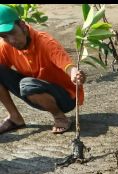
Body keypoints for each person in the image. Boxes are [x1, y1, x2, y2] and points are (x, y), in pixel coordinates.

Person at [0, 5, 85, 134]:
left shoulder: (45, 42)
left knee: (27, 85)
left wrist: (75, 74)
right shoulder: (6, 46)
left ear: (23, 26)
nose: (11, 40)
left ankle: (59, 116)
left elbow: (67, 65)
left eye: (12, 32)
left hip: (65, 98)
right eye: (4, 36)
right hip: (34, 89)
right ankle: (15, 118)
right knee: (25, 84)